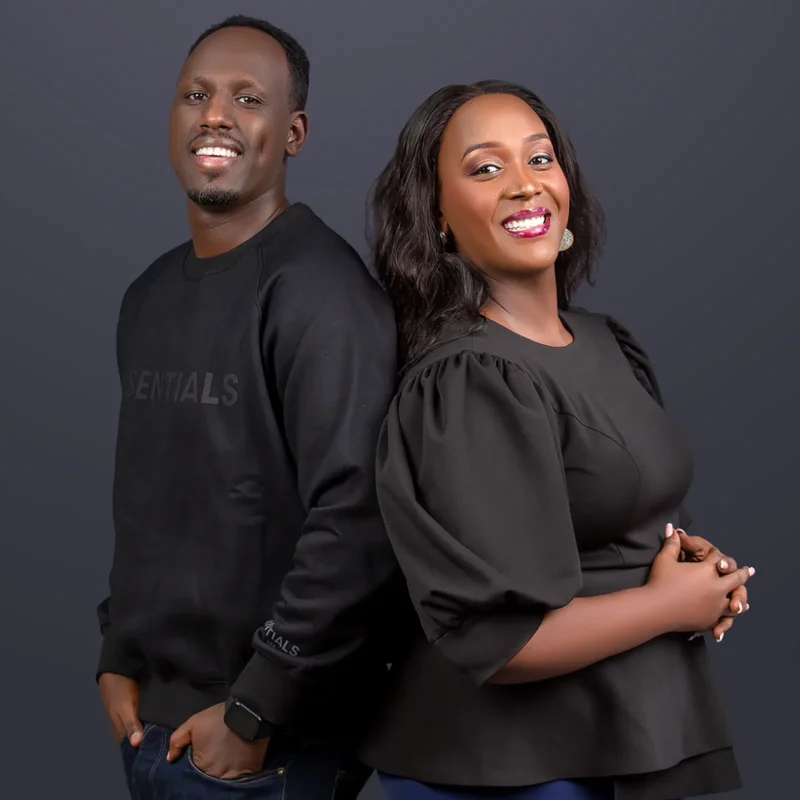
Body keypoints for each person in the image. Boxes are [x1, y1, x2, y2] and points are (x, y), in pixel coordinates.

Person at [358, 80, 754, 800]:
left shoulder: (606, 343)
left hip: (635, 728)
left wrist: (699, 570)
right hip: (511, 766)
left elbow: (626, 518)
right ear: (437, 214)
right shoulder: (467, 379)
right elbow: (495, 639)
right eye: (486, 168)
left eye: (539, 159)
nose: (523, 184)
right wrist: (671, 606)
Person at [96, 15, 403, 799]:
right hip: (154, 728)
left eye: (248, 99)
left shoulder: (321, 293)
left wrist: (256, 707)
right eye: (196, 95)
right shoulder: (148, 296)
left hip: (265, 745)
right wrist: (117, 650)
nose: (215, 116)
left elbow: (358, 522)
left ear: (293, 133)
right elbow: (152, 497)